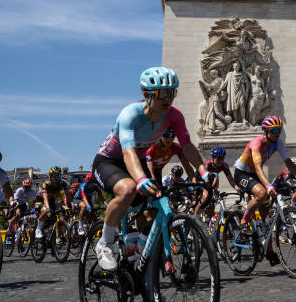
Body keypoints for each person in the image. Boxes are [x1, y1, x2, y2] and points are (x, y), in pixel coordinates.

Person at [90, 66, 212, 271]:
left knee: (158, 207)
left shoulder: (174, 115)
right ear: (147, 94)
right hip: (109, 162)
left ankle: (137, 250)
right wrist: (140, 180)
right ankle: (105, 242)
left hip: (135, 162)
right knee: (128, 189)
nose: (168, 99)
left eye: (172, 93)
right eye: (162, 94)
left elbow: (188, 146)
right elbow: (128, 153)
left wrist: (203, 171)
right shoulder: (130, 114)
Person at [233, 115, 296, 267]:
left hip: (256, 174)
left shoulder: (278, 143)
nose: (277, 133)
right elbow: (257, 167)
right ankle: (244, 221)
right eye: (274, 130)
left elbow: (289, 163)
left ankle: (269, 250)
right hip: (242, 173)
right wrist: (269, 186)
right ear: (266, 131)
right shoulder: (256, 143)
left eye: (279, 130)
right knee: (262, 193)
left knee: (266, 220)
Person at [194, 146, 237, 217]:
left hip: (211, 181)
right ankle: (196, 217)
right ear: (213, 158)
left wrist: (237, 189)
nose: (220, 161)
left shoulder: (224, 165)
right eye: (218, 159)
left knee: (212, 203)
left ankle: (209, 221)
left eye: (222, 158)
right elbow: (208, 181)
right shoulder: (208, 165)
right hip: (199, 180)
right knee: (205, 197)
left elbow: (231, 179)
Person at [36, 166, 70, 239]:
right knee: (46, 210)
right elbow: (45, 198)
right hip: (40, 200)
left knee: (54, 217)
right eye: (54, 176)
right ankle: (38, 229)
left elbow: (67, 197)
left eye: (58, 175)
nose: (56, 178)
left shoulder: (63, 183)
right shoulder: (46, 184)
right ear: (50, 176)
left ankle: (49, 231)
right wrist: (48, 209)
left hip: (51, 201)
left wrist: (69, 207)